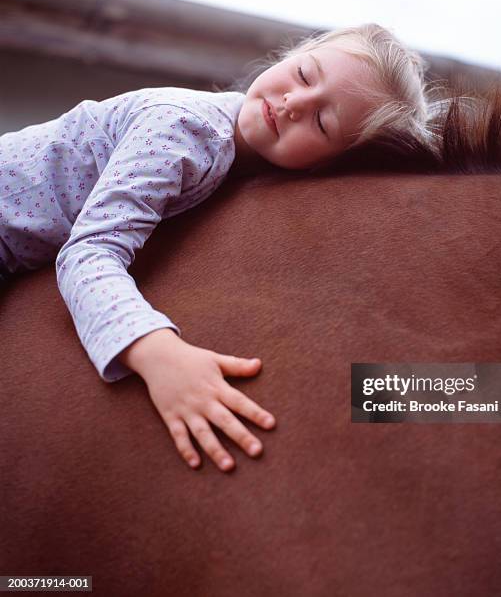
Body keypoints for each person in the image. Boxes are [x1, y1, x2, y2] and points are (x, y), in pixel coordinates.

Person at [0, 23, 437, 472]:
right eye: (305, 75)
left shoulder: (240, 163)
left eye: (322, 121)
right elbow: (88, 251)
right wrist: (157, 354)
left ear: (330, 164)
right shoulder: (184, 130)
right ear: (295, 53)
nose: (292, 104)